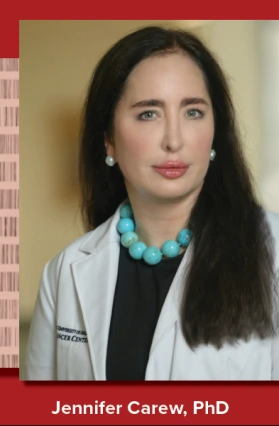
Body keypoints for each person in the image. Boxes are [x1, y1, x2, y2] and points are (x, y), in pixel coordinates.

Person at [24, 26, 279, 380]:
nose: (174, 140)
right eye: (148, 113)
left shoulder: (273, 251)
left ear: (215, 131)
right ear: (109, 141)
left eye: (192, 112)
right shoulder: (64, 273)